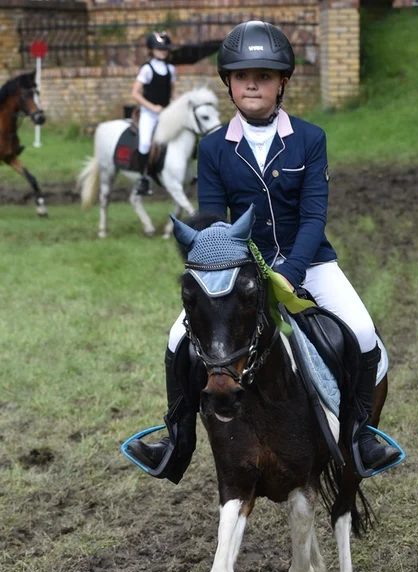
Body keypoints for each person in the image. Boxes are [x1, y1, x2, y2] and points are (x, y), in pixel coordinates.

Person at [127, 20, 400, 481]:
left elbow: (314, 217)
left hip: (308, 263)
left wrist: (292, 270)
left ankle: (359, 436)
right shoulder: (213, 147)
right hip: (241, 271)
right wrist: (226, 270)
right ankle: (177, 441)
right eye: (242, 75)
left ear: (283, 82)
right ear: (229, 83)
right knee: (177, 341)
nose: (252, 83)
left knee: (362, 331)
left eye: (265, 75)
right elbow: (214, 222)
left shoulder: (310, 139)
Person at [131, 31, 176, 196]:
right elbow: (135, 93)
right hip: (149, 114)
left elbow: (172, 93)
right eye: (159, 48)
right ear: (152, 49)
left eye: (165, 49)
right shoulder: (147, 69)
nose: (163, 51)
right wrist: (152, 107)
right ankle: (143, 178)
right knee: (144, 143)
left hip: (166, 113)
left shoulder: (171, 69)